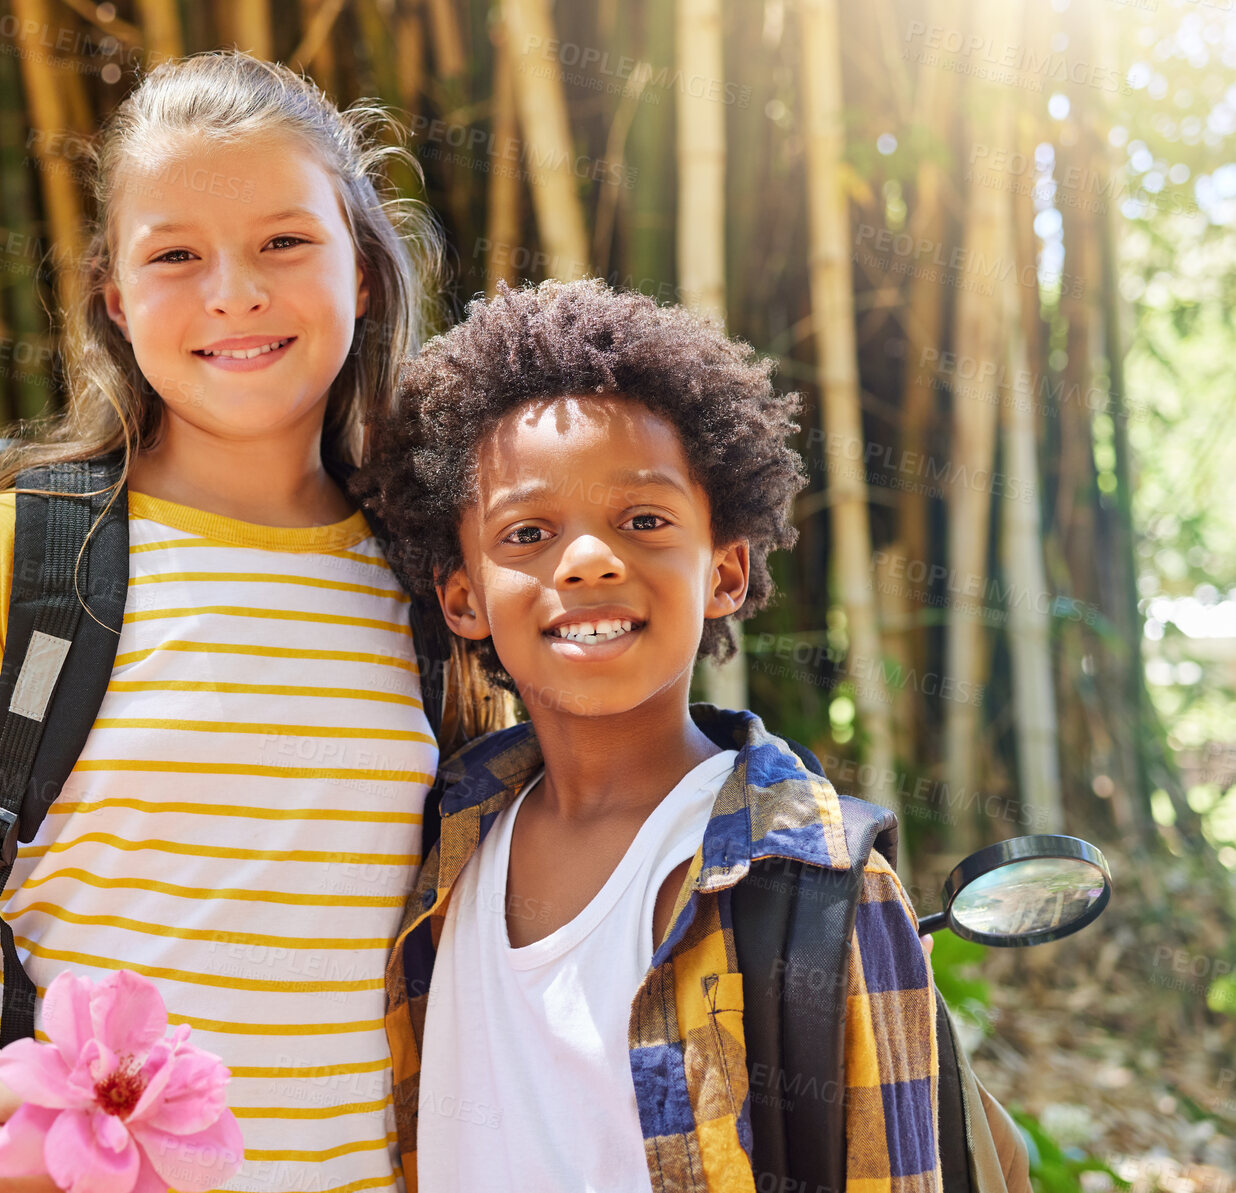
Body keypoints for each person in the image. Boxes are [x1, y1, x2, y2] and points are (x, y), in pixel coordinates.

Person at [0, 51, 484, 1193]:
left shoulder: (437, 578)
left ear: (366, 273)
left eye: (285, 241)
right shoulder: (20, 552)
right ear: (117, 298)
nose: (232, 291)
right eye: (174, 254)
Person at [355, 278, 942, 1191]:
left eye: (643, 520)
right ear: (462, 596)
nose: (588, 558)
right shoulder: (443, 847)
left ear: (726, 571)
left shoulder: (816, 884)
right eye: (528, 531)